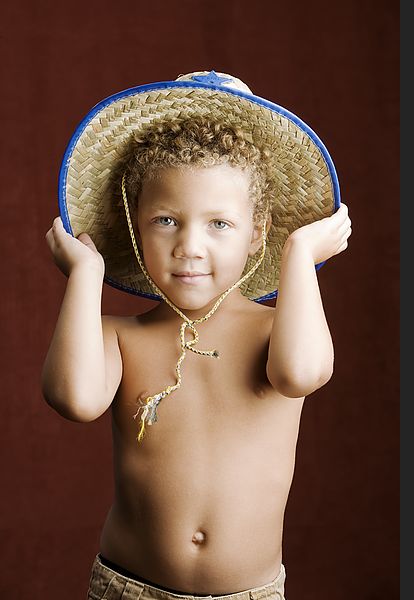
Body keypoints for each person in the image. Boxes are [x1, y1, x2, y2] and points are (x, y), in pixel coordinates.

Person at [42, 70, 352, 600]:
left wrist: (298, 254)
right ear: (136, 227)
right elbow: (74, 399)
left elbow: (300, 373)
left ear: (257, 234)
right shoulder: (120, 338)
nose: (189, 245)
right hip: (128, 587)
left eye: (220, 224)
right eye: (165, 220)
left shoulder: (276, 331)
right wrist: (85, 275)